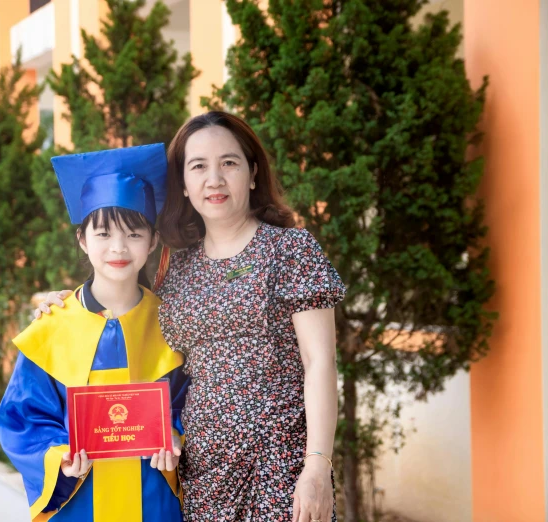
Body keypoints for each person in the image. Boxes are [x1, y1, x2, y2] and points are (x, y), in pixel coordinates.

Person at [37, 111, 345, 522]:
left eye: (229, 163)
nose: (213, 179)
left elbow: (320, 362)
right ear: (183, 182)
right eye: (198, 166)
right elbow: (129, 313)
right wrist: (66, 304)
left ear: (253, 173)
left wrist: (317, 466)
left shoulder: (290, 250)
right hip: (202, 473)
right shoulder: (177, 270)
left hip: (280, 465)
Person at [0, 143, 189, 522]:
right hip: (78, 505)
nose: (118, 248)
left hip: (153, 503)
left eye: (134, 234)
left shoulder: (173, 324)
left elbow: (193, 405)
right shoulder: (52, 327)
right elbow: (23, 421)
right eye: (103, 234)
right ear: (82, 241)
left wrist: (177, 438)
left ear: (152, 242)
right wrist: (59, 457)